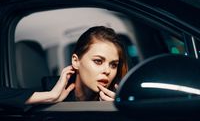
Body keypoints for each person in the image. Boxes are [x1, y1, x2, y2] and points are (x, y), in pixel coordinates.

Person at [0, 26, 128, 108]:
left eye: (113, 65)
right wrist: (50, 96)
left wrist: (114, 111)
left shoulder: (116, 98)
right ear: (76, 61)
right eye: (98, 61)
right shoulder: (50, 90)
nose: (107, 71)